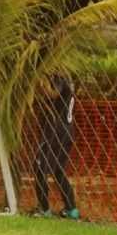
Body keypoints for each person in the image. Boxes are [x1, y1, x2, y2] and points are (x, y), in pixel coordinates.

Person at [33, 74, 80, 219]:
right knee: (58, 170)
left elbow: (53, 93)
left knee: (38, 167)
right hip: (67, 131)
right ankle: (71, 209)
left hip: (55, 131)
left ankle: (44, 209)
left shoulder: (59, 77)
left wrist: (38, 86)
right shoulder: (69, 81)